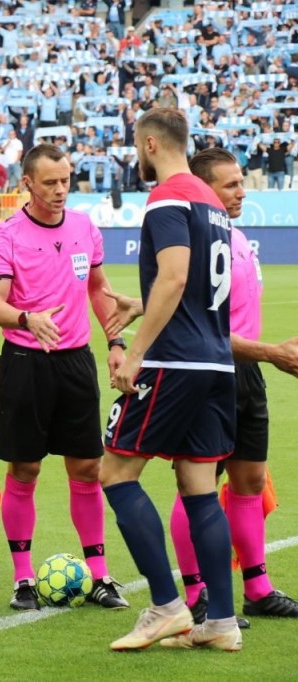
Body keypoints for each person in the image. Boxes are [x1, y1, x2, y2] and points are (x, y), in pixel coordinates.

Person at [105, 147, 298, 623]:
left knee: (246, 479)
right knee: (196, 479)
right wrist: (272, 352)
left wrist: (137, 302)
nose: (241, 191)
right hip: (219, 362)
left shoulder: (236, 238)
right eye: (231, 184)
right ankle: (197, 595)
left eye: (240, 182)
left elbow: (189, 304)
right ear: (204, 187)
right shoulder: (193, 222)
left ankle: (256, 587)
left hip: (240, 371)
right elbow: (198, 317)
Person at [99, 108, 241, 651]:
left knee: (115, 471)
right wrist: (143, 305)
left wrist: (135, 353)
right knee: (198, 484)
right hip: (215, 363)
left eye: (137, 147)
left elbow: (177, 275)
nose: (136, 156)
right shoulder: (212, 205)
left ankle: (165, 605)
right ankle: (222, 622)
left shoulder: (167, 196)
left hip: (174, 362)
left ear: (151, 143)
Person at [0, 143, 129, 612]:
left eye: (65, 179)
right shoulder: (5, 235)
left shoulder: (86, 226)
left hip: (76, 362)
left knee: (87, 469)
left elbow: (100, 290)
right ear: (26, 183)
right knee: (24, 470)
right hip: (26, 363)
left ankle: (100, 576)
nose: (61, 189)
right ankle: (23, 579)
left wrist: (117, 345)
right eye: (50, 182)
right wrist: (27, 319)